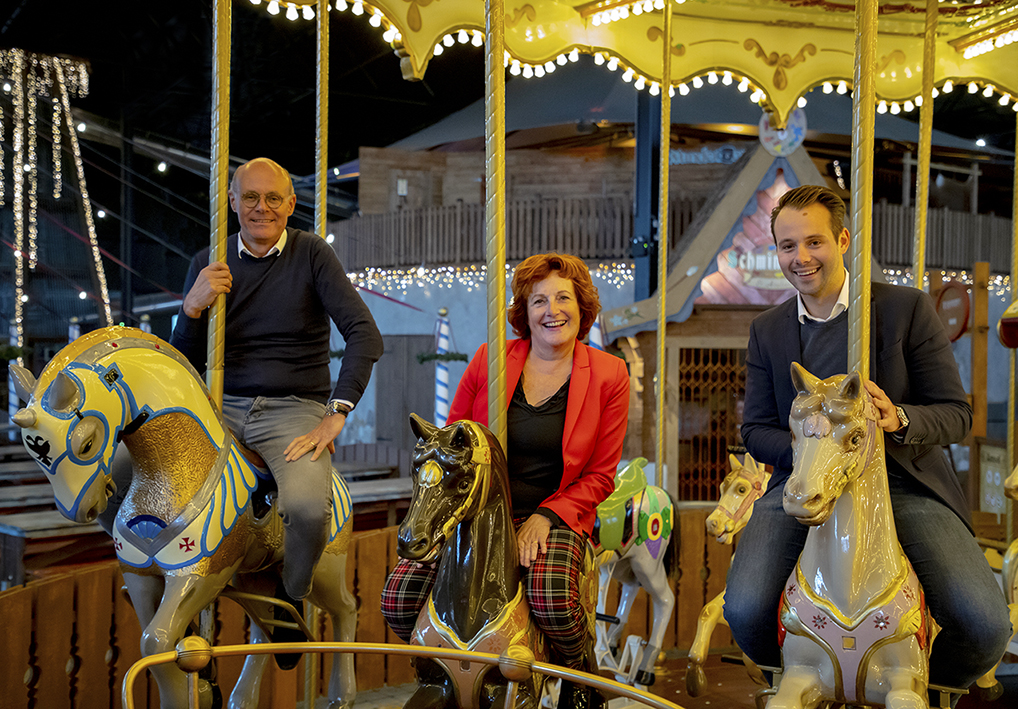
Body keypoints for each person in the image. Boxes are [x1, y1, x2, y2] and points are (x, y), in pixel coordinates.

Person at [725, 184, 1011, 697]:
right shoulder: (768, 330)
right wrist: (813, 452)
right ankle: (803, 674)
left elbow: (955, 414)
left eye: (814, 242)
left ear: (843, 239)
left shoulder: (904, 309)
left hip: (899, 483)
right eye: (787, 246)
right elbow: (755, 428)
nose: (800, 257)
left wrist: (898, 417)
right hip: (805, 483)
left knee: (984, 624)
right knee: (744, 610)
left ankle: (926, 683)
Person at [380, 252, 629, 708]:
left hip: (554, 514)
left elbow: (600, 474)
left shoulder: (609, 375)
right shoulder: (490, 361)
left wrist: (545, 517)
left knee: (551, 597)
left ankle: (579, 678)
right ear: (524, 312)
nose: (551, 310)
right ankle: (445, 669)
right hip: (473, 510)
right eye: (539, 301)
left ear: (582, 307)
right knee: (397, 598)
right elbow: (450, 439)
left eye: (562, 298)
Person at [168, 157, 384, 601]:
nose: (260, 207)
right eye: (250, 197)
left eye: (272, 198)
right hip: (220, 404)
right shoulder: (209, 261)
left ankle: (291, 595)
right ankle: (152, 566)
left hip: (292, 409)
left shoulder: (312, 254)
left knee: (306, 508)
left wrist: (335, 414)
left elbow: (364, 335)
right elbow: (183, 362)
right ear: (232, 202)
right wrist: (191, 308)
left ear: (290, 204)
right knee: (132, 467)